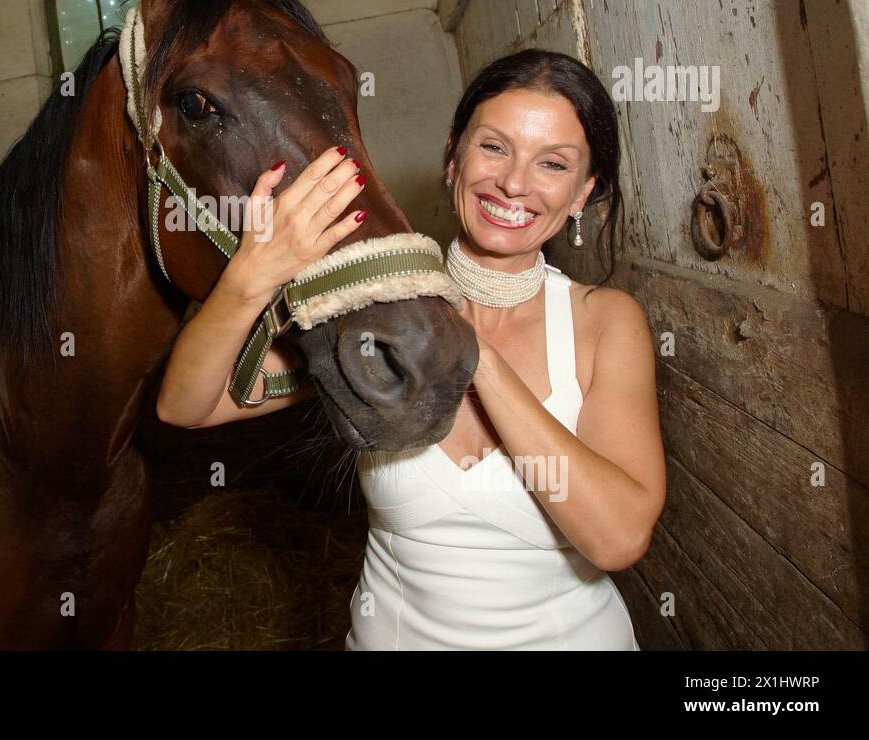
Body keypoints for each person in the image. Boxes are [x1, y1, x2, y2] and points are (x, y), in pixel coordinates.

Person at [155, 49, 665, 650]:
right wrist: (251, 277)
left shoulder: (604, 321)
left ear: (583, 192)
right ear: (454, 156)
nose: (515, 182)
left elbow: (617, 538)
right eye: (494, 147)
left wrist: (475, 355)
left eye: (553, 164)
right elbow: (187, 405)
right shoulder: (372, 309)